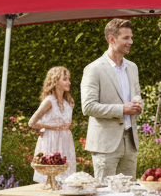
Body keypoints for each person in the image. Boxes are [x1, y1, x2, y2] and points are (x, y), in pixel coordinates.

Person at [81, 18, 143, 181]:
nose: (131, 41)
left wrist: (138, 104)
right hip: (105, 145)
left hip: (130, 142)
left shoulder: (133, 67)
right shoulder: (93, 69)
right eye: (126, 38)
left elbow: (136, 95)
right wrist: (123, 109)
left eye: (131, 37)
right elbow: (88, 107)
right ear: (111, 39)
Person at [29, 66, 77, 185]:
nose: (69, 82)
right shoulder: (49, 101)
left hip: (65, 141)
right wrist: (51, 126)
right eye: (65, 79)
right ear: (55, 81)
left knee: (65, 176)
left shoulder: (68, 102)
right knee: (51, 175)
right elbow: (32, 122)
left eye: (69, 79)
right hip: (51, 141)